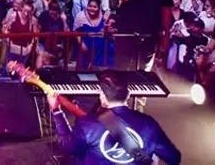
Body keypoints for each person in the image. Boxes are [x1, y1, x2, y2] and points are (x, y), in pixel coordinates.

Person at [47, 69, 181, 164]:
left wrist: (56, 110)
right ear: (128, 94)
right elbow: (174, 157)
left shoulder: (87, 124)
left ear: (102, 96)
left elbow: (67, 146)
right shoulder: (149, 124)